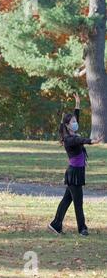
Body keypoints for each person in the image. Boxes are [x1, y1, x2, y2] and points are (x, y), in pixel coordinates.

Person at [48, 93, 103, 236]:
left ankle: (56, 224)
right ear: (67, 125)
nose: (75, 122)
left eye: (74, 121)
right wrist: (93, 141)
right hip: (74, 173)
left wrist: (77, 105)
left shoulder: (72, 133)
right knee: (78, 202)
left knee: (67, 200)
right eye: (72, 121)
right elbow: (82, 141)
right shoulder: (69, 139)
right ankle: (82, 228)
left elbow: (76, 119)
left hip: (77, 172)